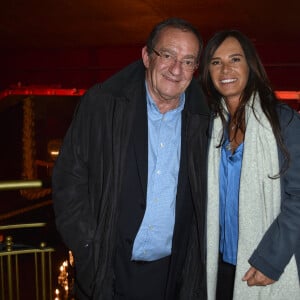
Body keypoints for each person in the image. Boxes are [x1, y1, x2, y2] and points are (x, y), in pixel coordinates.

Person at [52, 18, 210, 300]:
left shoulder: (206, 120)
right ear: (147, 56)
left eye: (188, 61)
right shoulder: (102, 105)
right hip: (106, 270)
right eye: (168, 55)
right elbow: (69, 181)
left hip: (173, 277)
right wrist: (89, 250)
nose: (176, 69)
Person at [200, 29, 300, 299]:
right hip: (219, 266)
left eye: (235, 59)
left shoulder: (283, 122)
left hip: (266, 261)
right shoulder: (209, 127)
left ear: (250, 65)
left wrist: (271, 260)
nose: (225, 69)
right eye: (215, 62)